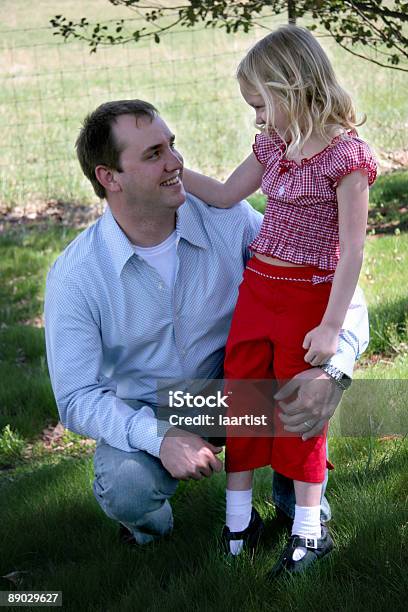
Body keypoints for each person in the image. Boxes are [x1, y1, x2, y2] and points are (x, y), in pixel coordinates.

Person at [44, 98, 369, 559]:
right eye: (154, 154)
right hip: (151, 408)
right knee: (127, 487)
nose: (176, 163)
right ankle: (147, 533)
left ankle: (293, 499)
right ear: (109, 177)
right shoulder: (77, 275)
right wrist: (160, 437)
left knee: (301, 384)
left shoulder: (226, 219)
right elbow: (76, 398)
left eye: (172, 146)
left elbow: (327, 281)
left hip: (238, 393)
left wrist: (335, 369)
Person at [182, 25, 376, 575]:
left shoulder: (347, 158)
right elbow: (223, 195)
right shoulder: (271, 147)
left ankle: (308, 534)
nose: (258, 119)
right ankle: (239, 523)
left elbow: (353, 251)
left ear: (292, 87)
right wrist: (174, 171)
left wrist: (332, 327)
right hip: (258, 292)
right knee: (244, 399)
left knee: (296, 413)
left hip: (307, 302)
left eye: (262, 105)